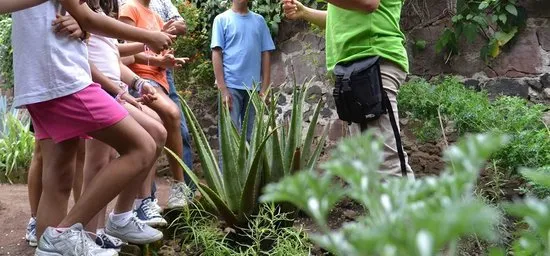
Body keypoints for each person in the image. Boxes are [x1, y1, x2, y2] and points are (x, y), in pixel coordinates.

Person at [12, 0, 174, 254]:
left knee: (59, 177)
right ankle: (64, 233)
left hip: (41, 81)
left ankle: (49, 247)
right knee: (142, 147)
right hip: (63, 78)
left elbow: (83, 20)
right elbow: (88, 18)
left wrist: (83, 26)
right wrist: (149, 36)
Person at [282, 0, 415, 178]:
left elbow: (368, 3)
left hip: (373, 63)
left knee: (387, 164)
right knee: (368, 165)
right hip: (356, 70)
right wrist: (306, 13)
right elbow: (341, 17)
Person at [119, 0, 196, 208]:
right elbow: (126, 53)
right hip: (141, 79)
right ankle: (170, 189)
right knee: (170, 116)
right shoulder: (129, 8)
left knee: (167, 129)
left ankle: (148, 199)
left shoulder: (157, 16)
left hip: (161, 80)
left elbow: (157, 52)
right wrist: (155, 63)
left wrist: (165, 60)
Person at [24, 14, 88, 247]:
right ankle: (35, 218)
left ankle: (77, 225)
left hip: (75, 73)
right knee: (42, 152)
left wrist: (85, 28)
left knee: (79, 150)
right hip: (43, 77)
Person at [211, 0, 275, 144]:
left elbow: (266, 54)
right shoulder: (221, 20)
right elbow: (216, 53)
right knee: (230, 141)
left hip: (254, 90)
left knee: (253, 140)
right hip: (231, 88)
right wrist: (223, 89)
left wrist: (264, 89)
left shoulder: (259, 21)